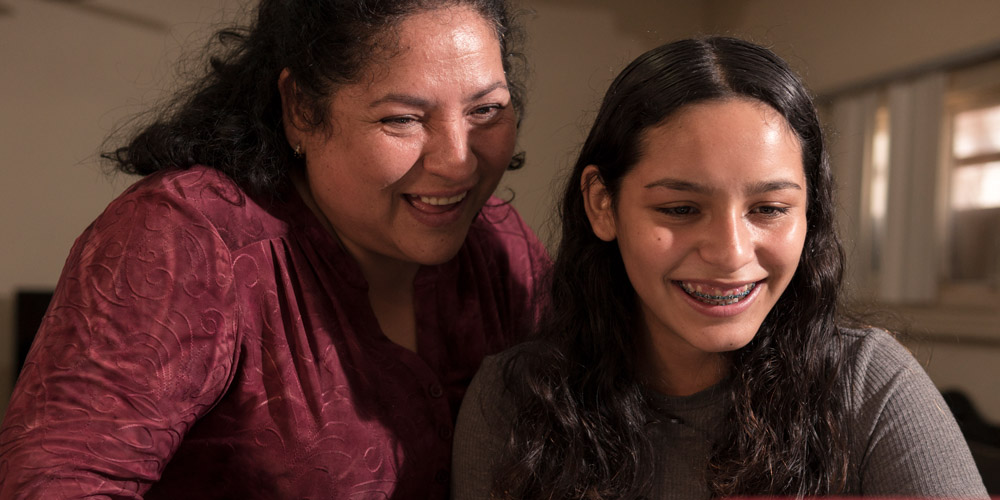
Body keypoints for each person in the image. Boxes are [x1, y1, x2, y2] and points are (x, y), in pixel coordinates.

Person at [0, 0, 550, 498]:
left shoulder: (500, 246)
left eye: (486, 111)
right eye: (402, 119)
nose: (459, 160)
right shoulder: (187, 238)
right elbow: (55, 484)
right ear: (302, 109)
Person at [452, 36, 988, 499]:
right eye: (681, 209)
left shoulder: (867, 386)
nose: (731, 254)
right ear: (603, 204)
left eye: (770, 210)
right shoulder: (512, 401)